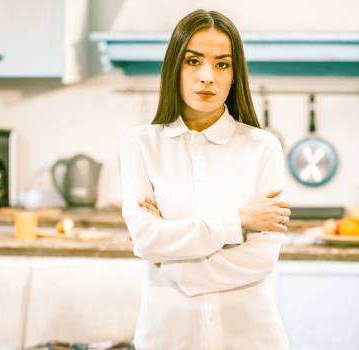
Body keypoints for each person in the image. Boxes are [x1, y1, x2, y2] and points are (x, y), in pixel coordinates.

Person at [119, 9, 292, 350]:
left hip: (251, 338)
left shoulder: (263, 147)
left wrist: (167, 260)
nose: (207, 76)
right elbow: (146, 237)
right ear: (174, 68)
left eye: (222, 64)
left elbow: (260, 259)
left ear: (234, 76)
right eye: (194, 61)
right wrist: (238, 221)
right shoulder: (140, 145)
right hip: (167, 338)